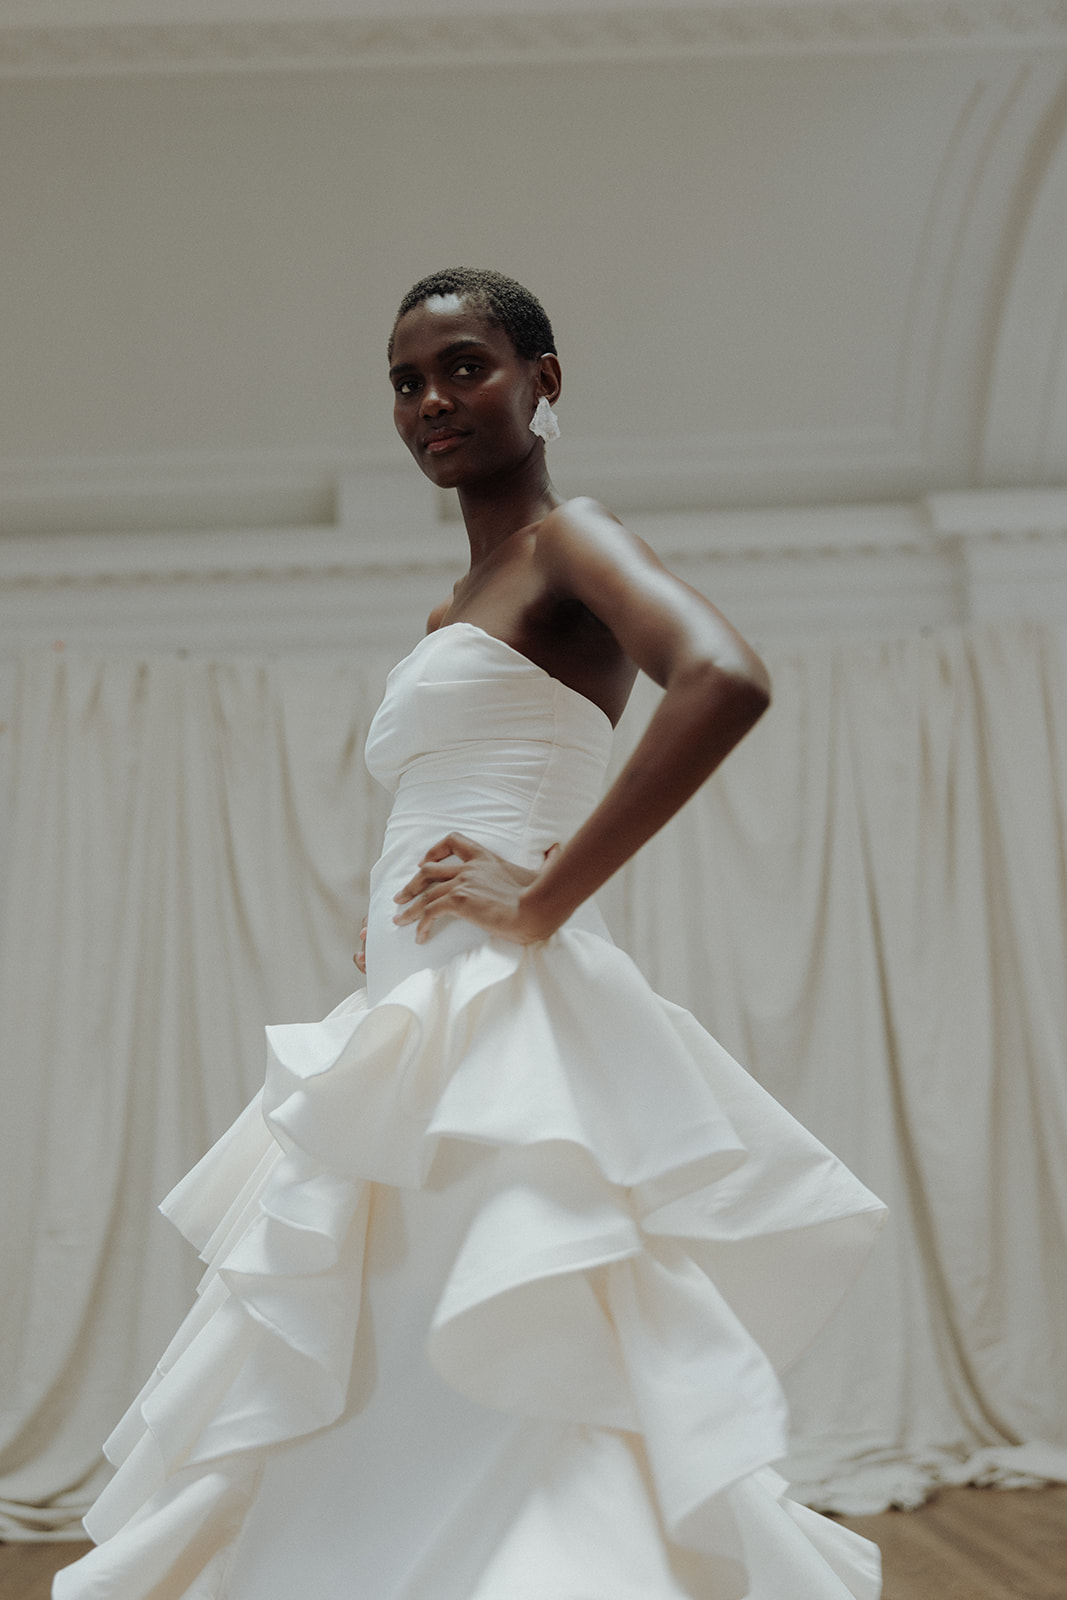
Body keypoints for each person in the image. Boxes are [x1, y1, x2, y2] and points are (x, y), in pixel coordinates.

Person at [55, 268, 886, 1600]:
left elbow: (724, 678)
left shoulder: (571, 541)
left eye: (464, 366)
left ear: (543, 382)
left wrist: (542, 897)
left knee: (512, 1327)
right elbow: (454, 794)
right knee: (384, 1337)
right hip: (410, 1008)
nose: (431, 401)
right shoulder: (458, 603)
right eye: (404, 379)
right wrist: (388, 935)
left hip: (495, 1011)